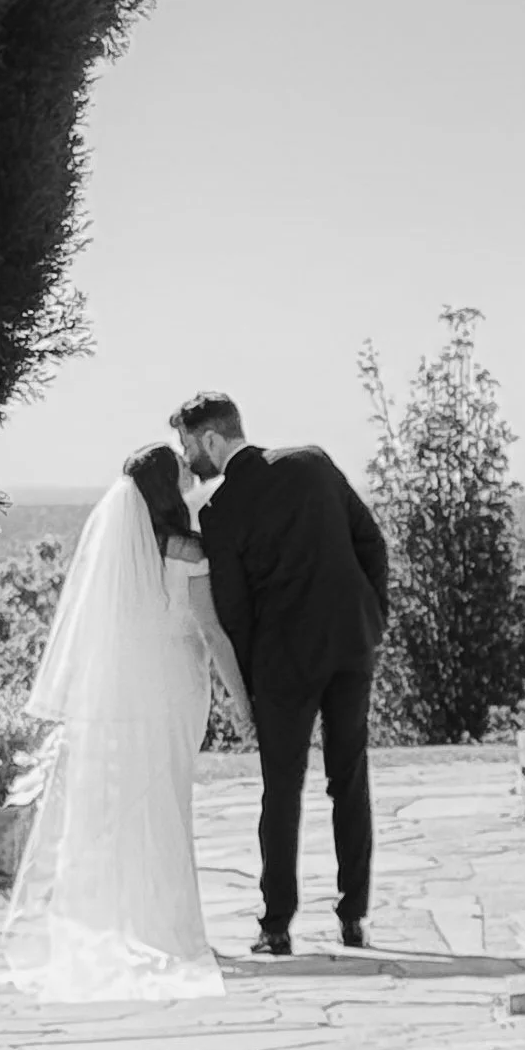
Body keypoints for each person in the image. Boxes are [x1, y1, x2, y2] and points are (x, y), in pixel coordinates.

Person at [2, 443, 252, 1004]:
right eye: (183, 470)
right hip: (174, 689)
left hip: (125, 692)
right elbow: (211, 633)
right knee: (166, 798)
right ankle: (166, 926)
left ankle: (128, 922)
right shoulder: (189, 550)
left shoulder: (117, 559)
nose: (191, 474)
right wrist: (243, 700)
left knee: (128, 802)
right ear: (168, 487)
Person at [170, 391, 389, 959]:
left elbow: (235, 613)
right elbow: (371, 541)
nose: (187, 456)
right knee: (350, 778)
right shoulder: (313, 462)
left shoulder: (219, 512)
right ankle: (353, 916)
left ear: (212, 440)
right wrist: (373, 617)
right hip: (349, 644)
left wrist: (245, 691)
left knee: (282, 791)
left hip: (282, 665)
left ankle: (277, 926)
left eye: (188, 444)